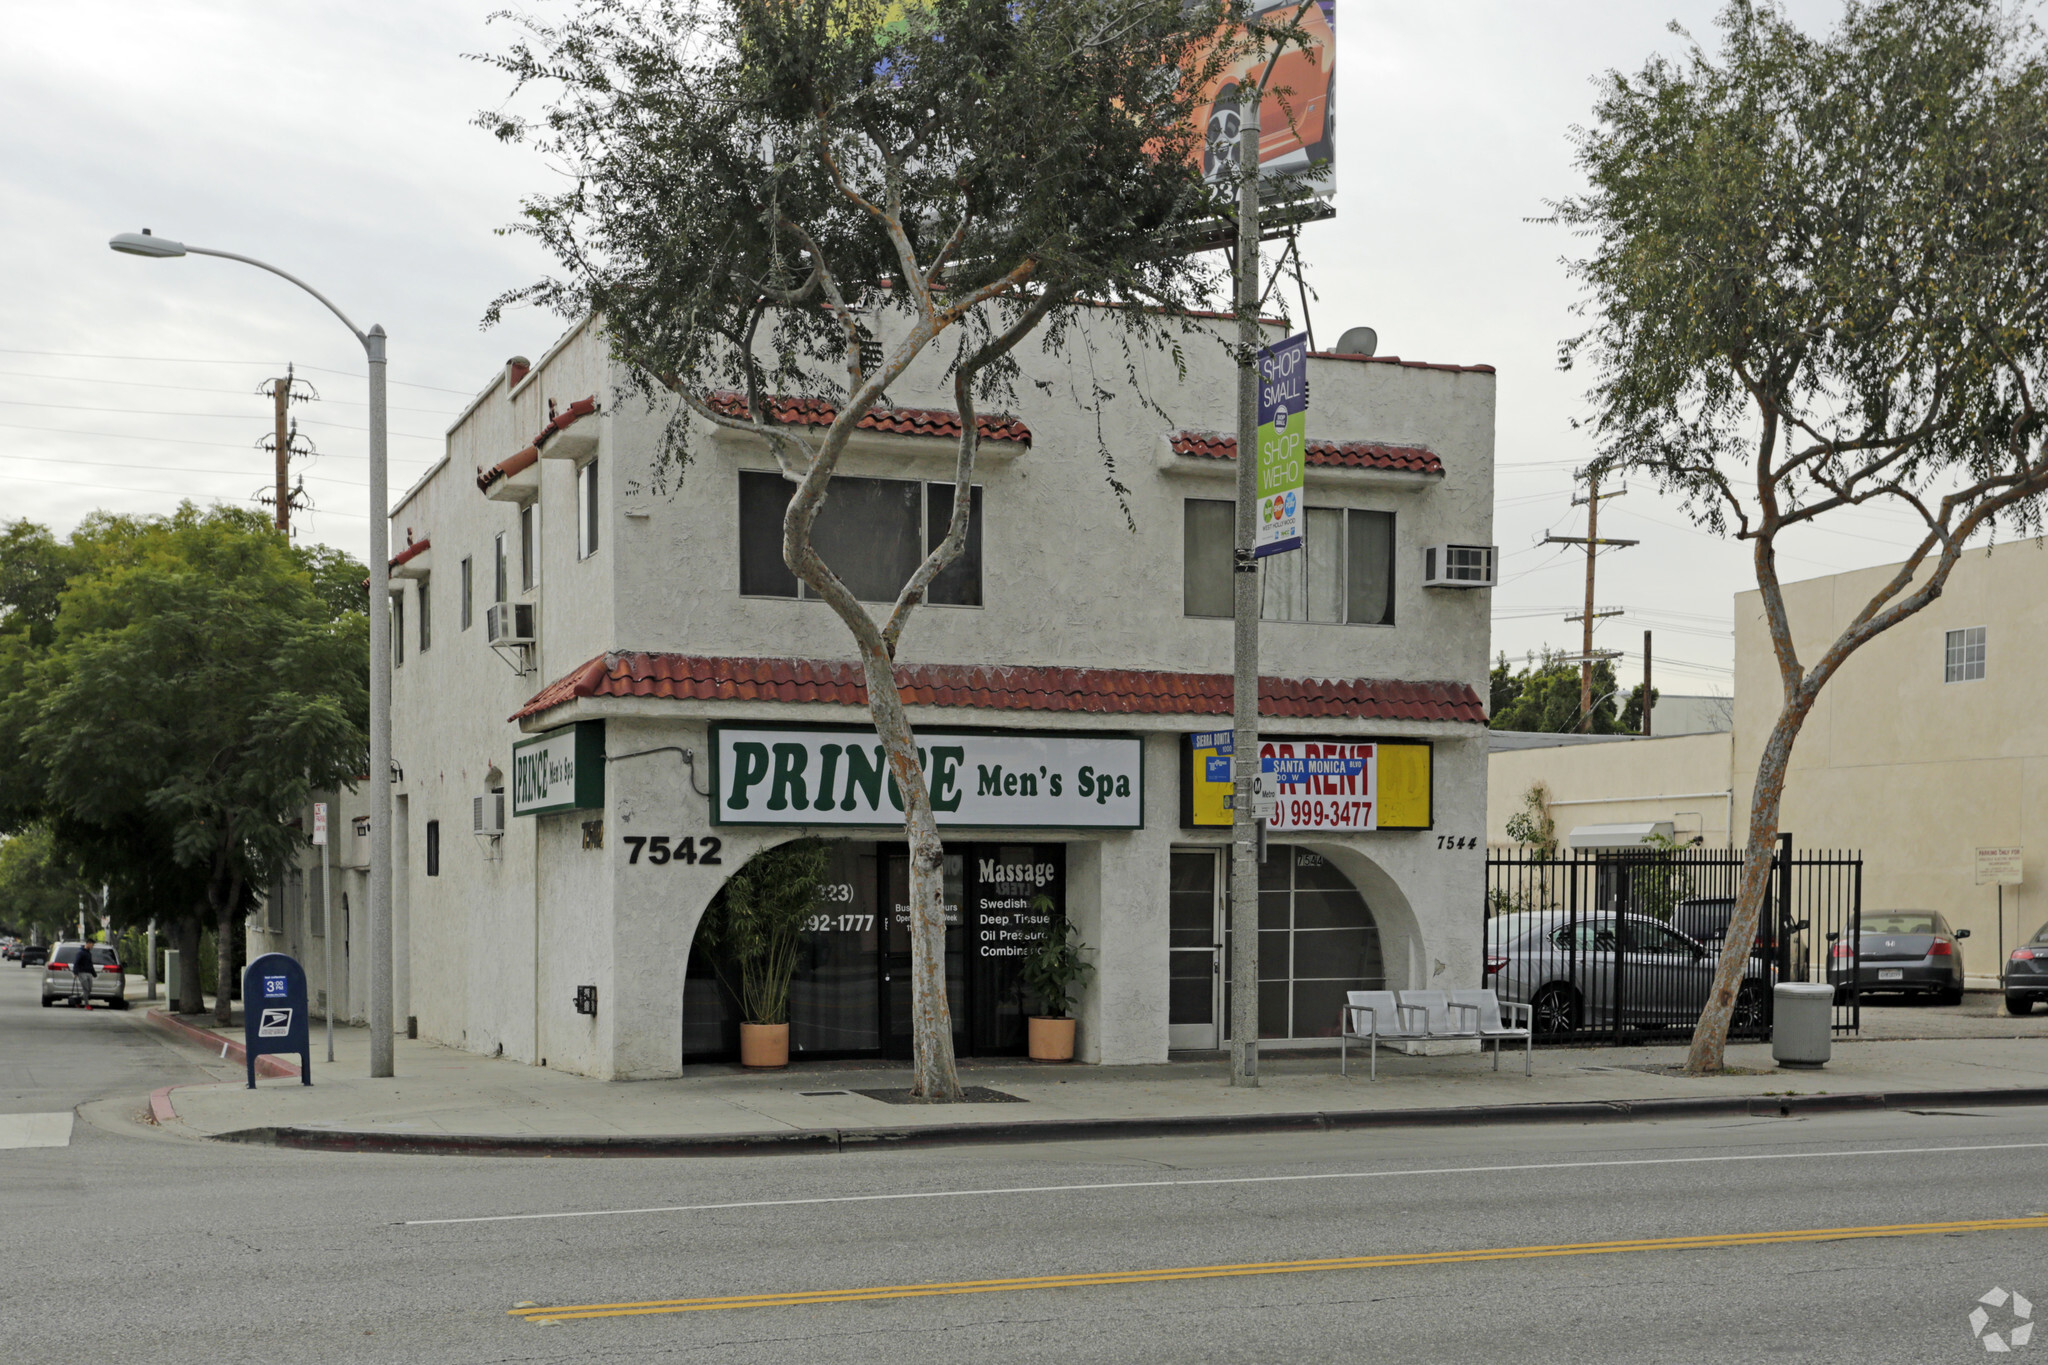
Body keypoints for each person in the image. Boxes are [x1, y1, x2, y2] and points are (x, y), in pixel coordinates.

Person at [71, 945, 97, 1009]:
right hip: (82, 973)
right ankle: (86, 1005)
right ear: (88, 944)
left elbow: (90, 964)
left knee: (89, 989)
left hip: (89, 973)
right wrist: (75, 972)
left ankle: (78, 1000)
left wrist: (94, 973)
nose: (92, 947)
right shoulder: (80, 953)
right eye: (92, 945)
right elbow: (76, 963)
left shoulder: (89, 953)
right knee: (86, 989)